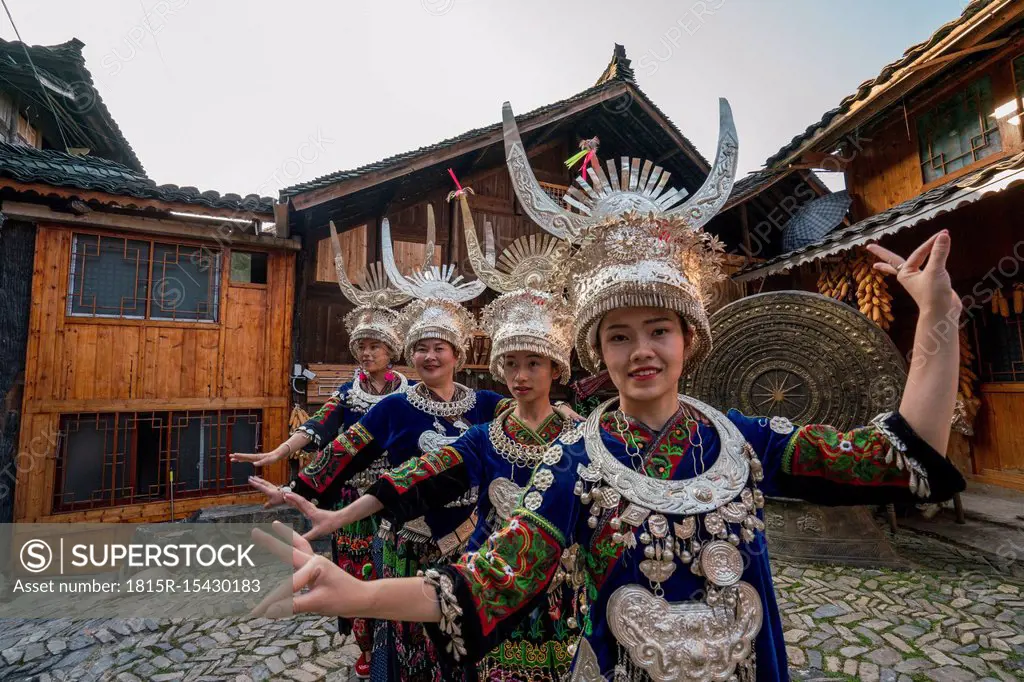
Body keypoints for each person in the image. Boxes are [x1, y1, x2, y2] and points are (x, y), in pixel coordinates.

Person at [251, 99, 967, 682]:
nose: (642, 351)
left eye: (659, 329)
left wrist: (938, 317)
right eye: (619, 336)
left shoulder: (740, 441)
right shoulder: (576, 459)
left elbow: (901, 458)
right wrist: (358, 592)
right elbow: (489, 580)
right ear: (597, 353)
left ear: (691, 338)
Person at [287, 290, 580, 681]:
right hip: (480, 574)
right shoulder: (483, 435)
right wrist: (333, 512)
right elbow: (412, 477)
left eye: (533, 364)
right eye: (510, 364)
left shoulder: (576, 436)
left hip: (559, 588)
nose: (521, 376)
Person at [231, 304, 407, 679]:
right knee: (353, 572)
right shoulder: (348, 394)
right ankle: (365, 645)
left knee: (392, 570)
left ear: (392, 350)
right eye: (361, 345)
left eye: (375, 345)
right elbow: (317, 426)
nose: (366, 352)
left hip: (393, 499)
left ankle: (397, 644)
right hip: (348, 502)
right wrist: (280, 451)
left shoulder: (408, 395)